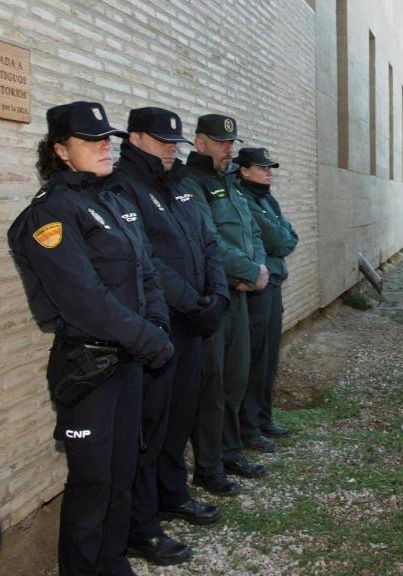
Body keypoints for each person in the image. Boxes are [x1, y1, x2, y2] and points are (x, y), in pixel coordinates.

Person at [7, 101, 173, 576]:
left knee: (122, 475)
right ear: (60, 150)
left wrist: (157, 325)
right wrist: (150, 338)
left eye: (107, 139)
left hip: (130, 361)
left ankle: (113, 563)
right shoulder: (50, 215)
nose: (105, 147)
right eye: (91, 140)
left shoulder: (113, 200)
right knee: (92, 482)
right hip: (91, 369)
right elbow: (84, 299)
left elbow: (146, 273)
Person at [110, 107, 230, 565]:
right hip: (160, 325)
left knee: (179, 417)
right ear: (135, 138)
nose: (170, 148)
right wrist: (192, 303)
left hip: (195, 321)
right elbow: (144, 261)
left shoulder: (178, 183)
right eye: (161, 140)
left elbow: (207, 242)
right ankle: (142, 525)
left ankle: (172, 493)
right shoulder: (123, 185)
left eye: (175, 142)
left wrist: (216, 294)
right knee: (150, 427)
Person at [183, 114, 270, 495]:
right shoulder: (191, 183)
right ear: (199, 142)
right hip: (215, 295)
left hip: (240, 293)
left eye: (231, 143)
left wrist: (258, 268)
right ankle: (209, 465)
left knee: (235, 378)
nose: (228, 149)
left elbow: (250, 230)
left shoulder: (229, 183)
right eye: (220, 142)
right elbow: (208, 239)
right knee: (213, 384)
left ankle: (231, 451)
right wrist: (248, 269)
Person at [234, 147, 299, 451]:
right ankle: (248, 427)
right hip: (258, 288)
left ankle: (263, 417)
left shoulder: (266, 198)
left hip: (273, 283)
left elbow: (289, 237)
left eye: (269, 168)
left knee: (270, 356)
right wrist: (280, 239)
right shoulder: (242, 199)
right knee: (255, 359)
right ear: (244, 170)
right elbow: (274, 239)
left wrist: (281, 239)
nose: (268, 173)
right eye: (262, 168)